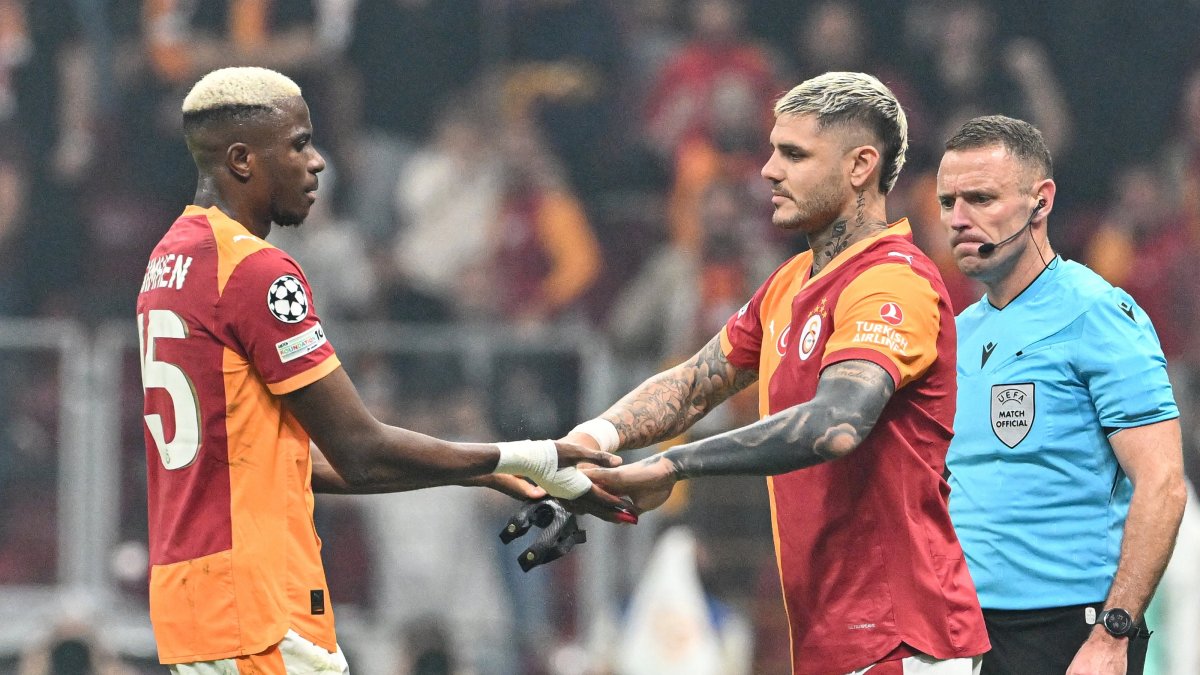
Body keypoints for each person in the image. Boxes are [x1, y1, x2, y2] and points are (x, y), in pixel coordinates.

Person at [135, 66, 627, 674]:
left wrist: (475, 475)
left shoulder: (170, 259)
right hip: (257, 602)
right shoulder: (257, 272)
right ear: (242, 159)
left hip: (196, 599)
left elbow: (272, 461)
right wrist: (520, 455)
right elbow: (361, 448)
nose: (317, 162)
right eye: (298, 144)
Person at [582, 71, 990, 674]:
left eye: (794, 155)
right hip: (835, 636)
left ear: (860, 167)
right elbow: (695, 382)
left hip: (904, 638)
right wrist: (590, 441)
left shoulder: (893, 280)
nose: (768, 171)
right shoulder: (788, 284)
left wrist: (674, 463)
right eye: (773, 151)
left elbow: (836, 423)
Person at [935, 115, 1188, 675]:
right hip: (969, 633)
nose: (958, 219)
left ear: (1040, 201)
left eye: (980, 197)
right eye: (948, 201)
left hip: (1071, 633)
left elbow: (1164, 483)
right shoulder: (959, 332)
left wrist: (1113, 634)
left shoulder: (1098, 315)